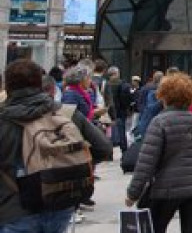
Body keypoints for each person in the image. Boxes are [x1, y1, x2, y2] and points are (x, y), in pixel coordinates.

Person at [0, 59, 112, 232]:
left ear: (7, 86)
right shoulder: (66, 113)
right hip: (59, 202)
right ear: (40, 83)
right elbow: (104, 148)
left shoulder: (4, 120)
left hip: (14, 209)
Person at [124, 73, 192, 233]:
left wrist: (133, 193)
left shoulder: (160, 122)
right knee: (191, 229)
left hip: (167, 187)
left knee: (155, 227)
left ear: (164, 96)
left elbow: (146, 163)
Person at [104, 66, 134, 156]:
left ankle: (110, 148)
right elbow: (126, 98)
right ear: (117, 73)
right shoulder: (122, 83)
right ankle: (123, 149)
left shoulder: (106, 84)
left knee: (109, 131)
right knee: (121, 130)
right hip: (120, 110)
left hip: (107, 111)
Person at [134, 71, 165, 140]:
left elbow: (140, 101)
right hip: (155, 116)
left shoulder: (145, 87)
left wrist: (142, 111)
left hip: (144, 115)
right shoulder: (159, 89)